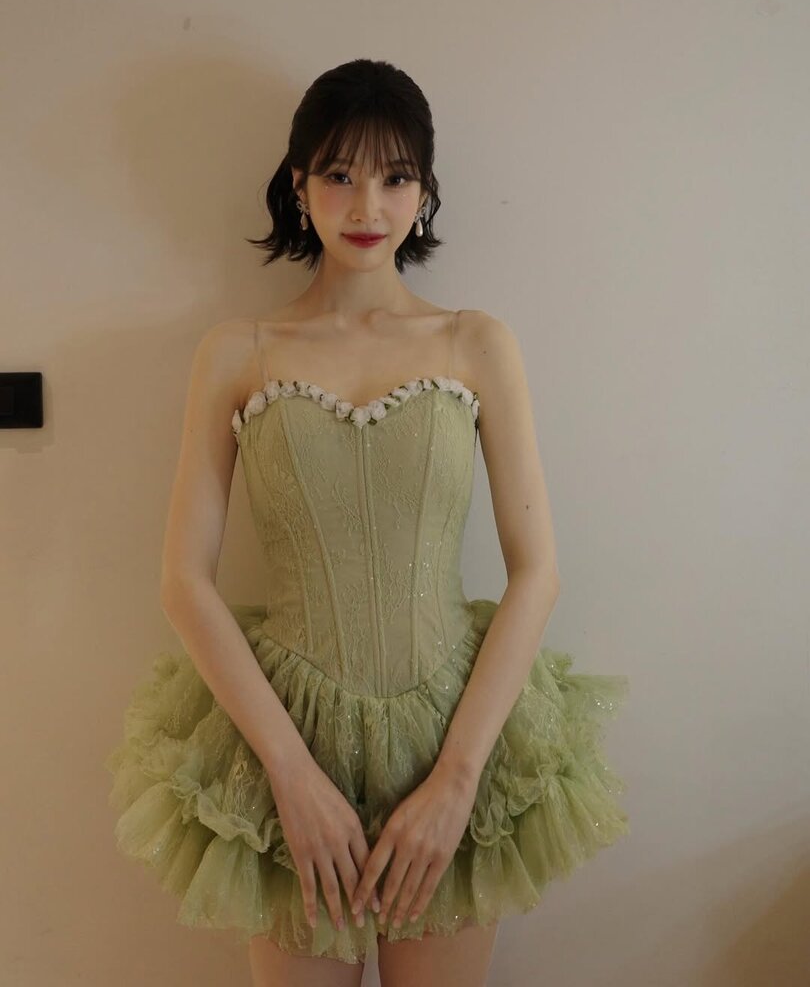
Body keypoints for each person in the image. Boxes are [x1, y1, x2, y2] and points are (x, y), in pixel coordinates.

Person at [105, 58, 630, 987]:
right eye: (339, 173)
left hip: (453, 735)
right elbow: (184, 582)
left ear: (424, 192)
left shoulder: (475, 343)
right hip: (285, 744)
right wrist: (289, 775)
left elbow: (537, 571)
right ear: (298, 183)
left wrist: (457, 782)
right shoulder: (237, 352)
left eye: (394, 177)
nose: (366, 205)